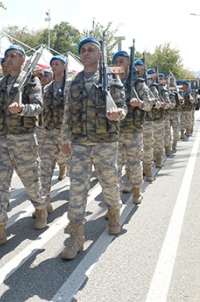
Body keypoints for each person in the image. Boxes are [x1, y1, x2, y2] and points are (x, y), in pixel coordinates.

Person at [59, 37, 126, 260]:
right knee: (77, 188)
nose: (86, 53)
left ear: (99, 55)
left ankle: (114, 213)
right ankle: (75, 235)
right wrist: (64, 140)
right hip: (79, 143)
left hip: (105, 142)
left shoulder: (112, 79)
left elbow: (122, 107)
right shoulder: (74, 82)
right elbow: (67, 113)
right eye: (83, 50)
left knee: (109, 181)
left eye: (91, 50)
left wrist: (118, 114)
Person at [0, 45, 47, 250]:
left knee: (31, 181)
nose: (8, 60)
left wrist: (23, 108)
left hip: (24, 138)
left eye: (13, 56)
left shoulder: (31, 81)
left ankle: (41, 208)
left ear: (22, 60)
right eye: (6, 57)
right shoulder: (1, 83)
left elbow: (38, 106)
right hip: (4, 140)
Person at [113, 50, 151, 202]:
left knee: (134, 164)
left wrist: (140, 103)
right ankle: (114, 200)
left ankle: (136, 191)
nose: (118, 65)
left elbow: (149, 105)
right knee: (114, 168)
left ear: (128, 63)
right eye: (115, 63)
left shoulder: (138, 84)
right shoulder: (110, 82)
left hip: (133, 131)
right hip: (114, 132)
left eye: (121, 62)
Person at [39, 55, 70, 211]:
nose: (54, 66)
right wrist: (43, 131)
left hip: (69, 136)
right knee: (45, 168)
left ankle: (77, 199)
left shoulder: (72, 86)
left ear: (64, 66)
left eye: (57, 64)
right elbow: (44, 112)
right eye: (52, 64)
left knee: (76, 169)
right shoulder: (47, 88)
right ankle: (44, 203)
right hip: (50, 134)